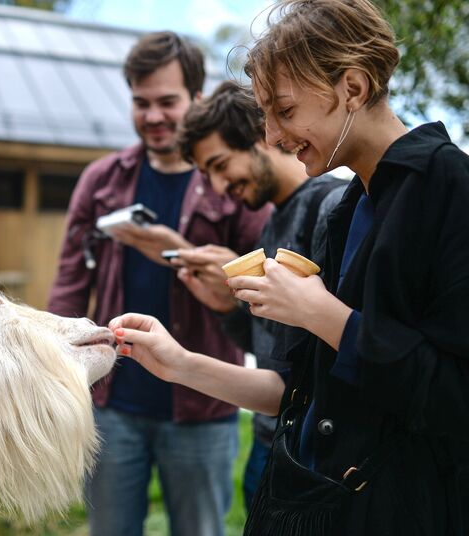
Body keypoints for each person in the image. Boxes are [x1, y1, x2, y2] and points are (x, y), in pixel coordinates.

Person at [109, 1, 469, 534]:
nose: (274, 136)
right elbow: (291, 391)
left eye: (284, 111)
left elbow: (454, 399)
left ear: (352, 86)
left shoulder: (451, 190)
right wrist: (178, 362)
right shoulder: (346, 209)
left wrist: (322, 314)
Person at [47, 31, 270, 536]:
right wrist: (59, 375)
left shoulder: (231, 176)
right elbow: (67, 286)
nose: (153, 116)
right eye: (141, 103)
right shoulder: (101, 180)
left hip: (203, 405)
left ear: (196, 98)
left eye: (167, 101)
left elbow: (268, 275)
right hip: (111, 404)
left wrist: (182, 254)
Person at [173, 80, 346, 510]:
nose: (217, 187)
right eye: (206, 175)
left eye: (219, 164)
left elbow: (325, 357)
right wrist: (227, 307)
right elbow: (271, 353)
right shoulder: (271, 224)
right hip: (270, 443)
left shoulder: (332, 208)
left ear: (260, 136)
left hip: (311, 456)